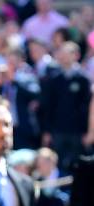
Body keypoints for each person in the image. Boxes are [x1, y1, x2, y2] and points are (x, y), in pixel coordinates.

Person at [40, 42, 92, 174]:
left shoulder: (83, 79)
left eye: (66, 54)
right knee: (59, 164)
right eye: (61, 54)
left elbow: (87, 108)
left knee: (78, 164)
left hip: (77, 132)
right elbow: (48, 106)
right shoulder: (54, 79)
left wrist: (88, 132)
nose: (63, 57)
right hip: (58, 130)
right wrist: (47, 130)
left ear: (76, 55)